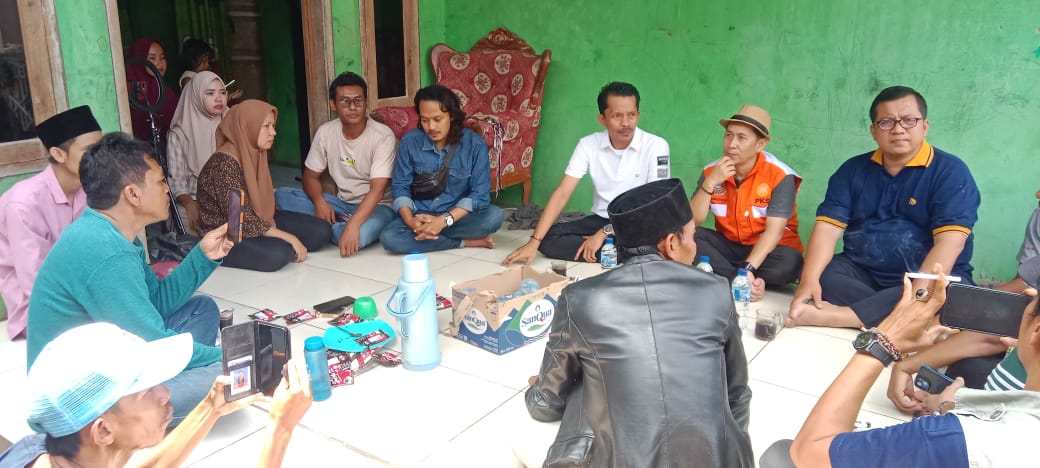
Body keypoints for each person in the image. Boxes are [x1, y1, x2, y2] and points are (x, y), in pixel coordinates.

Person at [524, 178, 753, 467]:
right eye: (693, 237)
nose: (694, 247)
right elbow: (738, 394)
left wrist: (543, 388)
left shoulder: (581, 298)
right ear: (671, 244)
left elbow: (544, 406)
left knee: (587, 377)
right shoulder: (716, 290)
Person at [27, 132, 230, 424]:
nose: (167, 189)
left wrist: (203, 256)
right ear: (133, 194)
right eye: (160, 182)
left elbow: (155, 304)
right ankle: (148, 411)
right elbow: (152, 342)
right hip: (79, 404)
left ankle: (172, 386)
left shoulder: (116, 233)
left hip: (112, 361)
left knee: (203, 310)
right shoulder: (106, 252)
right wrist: (223, 356)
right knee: (228, 372)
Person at [761, 266, 1040, 467]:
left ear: (1036, 330)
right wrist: (950, 406)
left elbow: (807, 454)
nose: (1028, 295)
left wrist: (882, 343)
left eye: (1035, 298)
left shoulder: (951, 437)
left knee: (781, 456)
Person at [788, 86, 980, 329]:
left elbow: (950, 243)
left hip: (925, 277)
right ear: (874, 131)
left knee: (947, 290)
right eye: (886, 122)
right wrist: (808, 280)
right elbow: (827, 229)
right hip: (864, 273)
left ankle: (847, 317)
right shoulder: (852, 170)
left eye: (909, 120)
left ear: (925, 126)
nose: (898, 129)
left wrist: (916, 298)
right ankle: (902, 319)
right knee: (821, 273)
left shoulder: (951, 172)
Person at [0, 322, 312, 467]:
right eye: (147, 391)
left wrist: (211, 407)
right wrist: (281, 429)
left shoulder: (48, 451)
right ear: (103, 431)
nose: (165, 393)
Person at [503, 81, 670, 266]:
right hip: (601, 219)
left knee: (655, 234)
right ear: (602, 119)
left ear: (638, 114)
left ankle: (611, 247)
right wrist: (533, 243)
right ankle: (624, 252)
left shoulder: (656, 146)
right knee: (549, 237)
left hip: (639, 222)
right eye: (617, 116)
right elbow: (562, 193)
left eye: (631, 115)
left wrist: (604, 232)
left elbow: (656, 203)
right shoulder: (588, 145)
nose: (626, 123)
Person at [0, 106, 101, 340]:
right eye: (90, 150)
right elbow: (36, 284)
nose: (101, 157)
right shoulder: (23, 204)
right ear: (58, 154)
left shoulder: (90, 190)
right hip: (38, 311)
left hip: (86, 298)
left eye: (102, 147)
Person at [196, 99, 330, 271]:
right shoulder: (223, 165)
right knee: (279, 254)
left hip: (259, 218)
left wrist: (286, 235)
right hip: (229, 233)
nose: (273, 132)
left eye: (273, 125)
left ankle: (275, 241)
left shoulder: (254, 152)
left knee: (321, 231)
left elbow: (261, 211)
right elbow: (239, 221)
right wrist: (291, 238)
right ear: (246, 127)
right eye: (266, 126)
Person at [275, 72, 396, 256]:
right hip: (341, 204)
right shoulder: (326, 132)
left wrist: (353, 225)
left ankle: (328, 228)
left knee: (359, 234)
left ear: (366, 102)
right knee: (283, 195)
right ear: (333, 104)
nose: (353, 107)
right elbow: (310, 176)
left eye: (358, 101)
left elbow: (377, 191)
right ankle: (336, 225)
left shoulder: (382, 136)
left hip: (378, 207)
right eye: (345, 101)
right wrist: (320, 202)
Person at [690, 104, 803, 300]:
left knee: (790, 262)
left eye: (741, 138)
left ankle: (734, 276)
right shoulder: (712, 171)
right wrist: (710, 183)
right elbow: (693, 221)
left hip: (770, 250)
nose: (731, 144)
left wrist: (748, 267)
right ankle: (742, 281)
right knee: (690, 237)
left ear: (761, 144)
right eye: (728, 135)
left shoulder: (780, 175)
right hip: (730, 245)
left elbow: (774, 233)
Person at [380, 84, 503, 253]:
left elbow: (479, 195)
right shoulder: (410, 142)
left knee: (494, 217)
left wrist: (443, 221)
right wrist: (411, 222)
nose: (431, 127)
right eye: (424, 120)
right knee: (389, 238)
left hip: (455, 217)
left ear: (451, 116)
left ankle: (429, 234)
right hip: (420, 215)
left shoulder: (474, 144)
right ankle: (464, 242)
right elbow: (400, 187)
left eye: (437, 119)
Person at [167, 70, 229, 235]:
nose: (219, 98)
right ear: (195, 97)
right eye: (210, 93)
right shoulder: (180, 134)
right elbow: (177, 181)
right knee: (186, 219)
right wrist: (189, 204)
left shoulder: (231, 124)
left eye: (223, 92)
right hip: (195, 200)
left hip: (229, 198)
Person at [126, 38, 179, 151]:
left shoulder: (167, 93)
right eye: (152, 58)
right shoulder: (129, 93)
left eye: (162, 58)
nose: (159, 63)